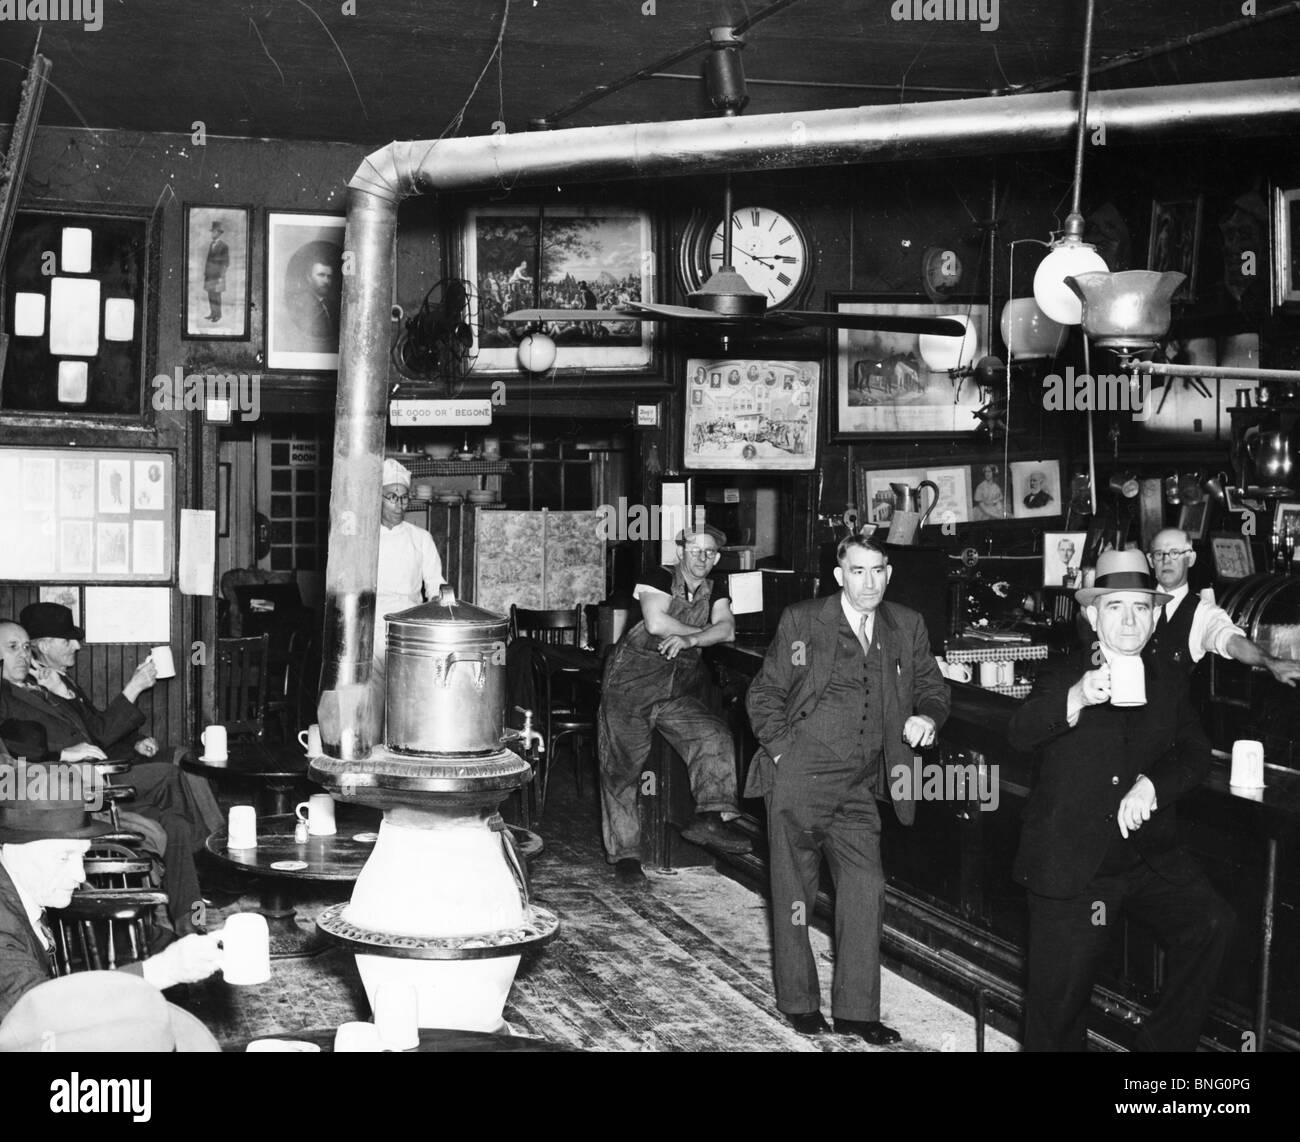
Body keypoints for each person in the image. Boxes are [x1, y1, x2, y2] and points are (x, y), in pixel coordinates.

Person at [1008, 549, 1234, 1051]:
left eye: (1140, 607)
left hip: (1144, 859)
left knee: (1212, 923)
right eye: (1115, 607)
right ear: (1092, 615)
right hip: (1073, 865)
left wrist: (1153, 784)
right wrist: (1077, 698)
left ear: (1155, 617)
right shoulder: (1062, 672)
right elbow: (1019, 733)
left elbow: (1195, 752)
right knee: (1058, 1005)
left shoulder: (1169, 681)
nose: (1129, 619)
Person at [744, 537, 950, 1043]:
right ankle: (799, 1002)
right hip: (800, 777)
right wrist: (783, 754)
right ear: (840, 576)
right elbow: (764, 693)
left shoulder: (906, 624)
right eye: (857, 572)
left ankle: (857, 1012)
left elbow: (932, 686)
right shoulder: (803, 621)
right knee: (796, 893)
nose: (869, 582)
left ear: (889, 572)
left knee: (866, 890)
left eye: (877, 571)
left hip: (861, 785)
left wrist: (928, 714)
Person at [0, 616, 213, 936]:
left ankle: (189, 921)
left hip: (100, 780)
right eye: (12, 647)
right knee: (170, 774)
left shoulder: (43, 684)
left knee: (176, 822)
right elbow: (14, 753)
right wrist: (63, 757)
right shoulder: (4, 697)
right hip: (68, 791)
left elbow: (93, 730)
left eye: (25, 647)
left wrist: (61, 692)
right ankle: (214, 858)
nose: (22, 655)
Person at [596, 525, 752, 886]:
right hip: (630, 687)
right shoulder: (658, 576)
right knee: (621, 771)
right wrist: (697, 635)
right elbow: (655, 622)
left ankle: (710, 817)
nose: (703, 558)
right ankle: (626, 856)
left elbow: (726, 629)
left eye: (711, 553)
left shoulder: (718, 587)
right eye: (696, 550)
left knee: (713, 735)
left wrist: (691, 639)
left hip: (675, 689)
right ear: (680, 550)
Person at [0, 774, 222, 1026]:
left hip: (187, 908)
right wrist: (164, 969)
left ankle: (196, 921)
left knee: (178, 827)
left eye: (81, 856)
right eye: (63, 857)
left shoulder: (25, 885)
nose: (80, 874)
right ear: (9, 847)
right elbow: (43, 1014)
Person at [1146, 528, 1300, 686]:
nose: (1166, 560)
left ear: (1190, 558)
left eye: (1174, 553)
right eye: (1159, 554)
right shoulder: (1134, 603)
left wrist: (1270, 662)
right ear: (1151, 560)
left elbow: (1230, 640)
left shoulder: (1203, 613)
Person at [370, 459, 445, 742]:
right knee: (373, 705)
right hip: (372, 627)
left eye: (404, 497)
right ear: (378, 498)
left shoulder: (420, 538)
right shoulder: (366, 539)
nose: (400, 504)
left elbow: (436, 587)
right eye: (392, 497)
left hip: (409, 630)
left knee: (409, 704)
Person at [287, 255, 341, 346]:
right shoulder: (298, 304)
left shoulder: (333, 306)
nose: (326, 281)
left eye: (329, 276)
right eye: (321, 275)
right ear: (309, 277)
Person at [203, 219, 229, 323]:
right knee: (210, 295)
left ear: (218, 233)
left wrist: (221, 276)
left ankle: (218, 315)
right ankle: (212, 313)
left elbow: (226, 263)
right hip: (209, 275)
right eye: (212, 232)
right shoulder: (211, 245)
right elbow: (208, 261)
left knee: (216, 296)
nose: (212, 234)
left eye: (214, 232)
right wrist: (206, 273)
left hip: (218, 276)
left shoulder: (224, 246)